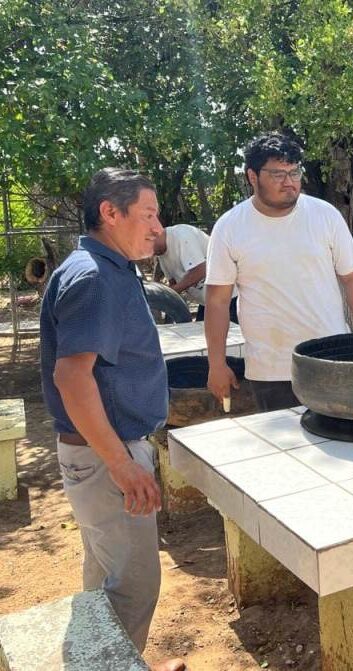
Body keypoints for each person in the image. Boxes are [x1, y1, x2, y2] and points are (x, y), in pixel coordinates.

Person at [39, 168, 185, 670]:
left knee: (104, 577)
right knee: (133, 586)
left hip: (98, 453)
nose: (158, 228)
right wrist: (122, 464)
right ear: (110, 213)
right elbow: (72, 377)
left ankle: (98, 663)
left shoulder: (107, 268)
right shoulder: (95, 278)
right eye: (148, 215)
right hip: (105, 456)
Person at [204, 134, 353, 412]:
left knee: (341, 436)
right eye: (277, 174)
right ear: (252, 176)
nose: (289, 182)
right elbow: (217, 301)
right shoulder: (230, 227)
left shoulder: (325, 216)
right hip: (271, 369)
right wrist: (216, 364)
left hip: (331, 358)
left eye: (294, 172)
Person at [152, 223, 238, 323]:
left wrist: (170, 292)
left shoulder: (182, 236)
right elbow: (173, 283)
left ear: (155, 234)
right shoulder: (161, 254)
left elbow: (201, 269)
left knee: (230, 332)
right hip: (207, 302)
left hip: (229, 297)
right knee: (201, 331)